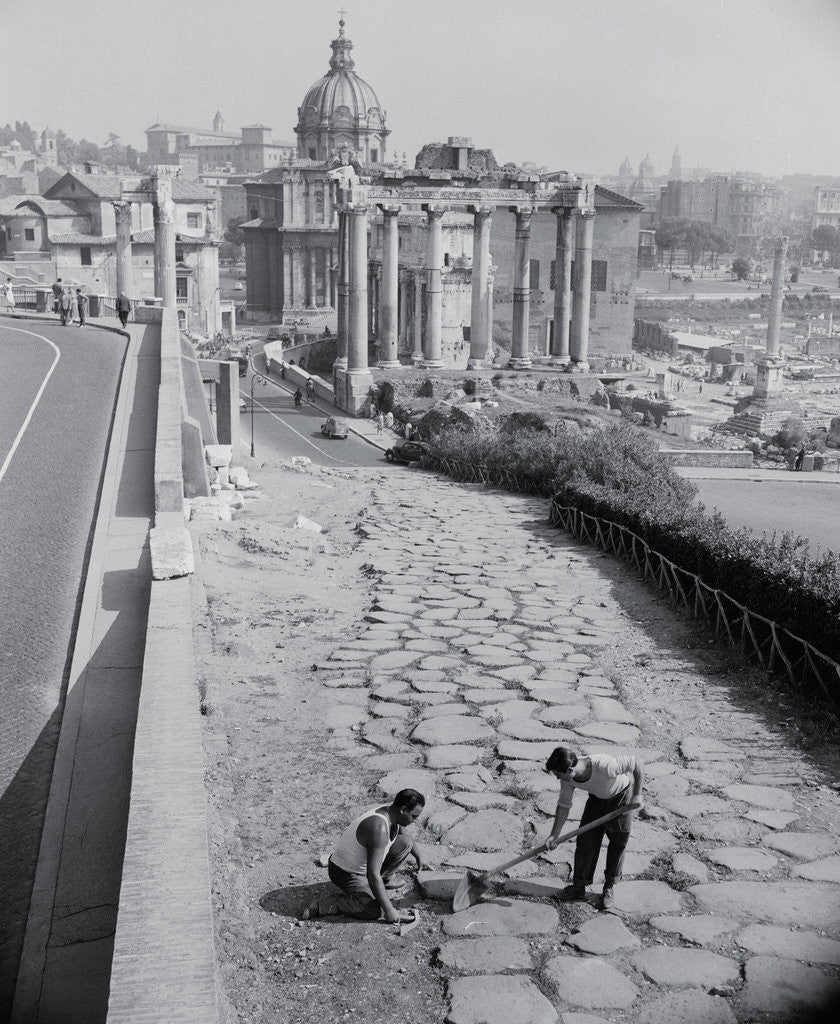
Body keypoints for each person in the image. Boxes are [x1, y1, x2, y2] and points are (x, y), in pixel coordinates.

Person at [300, 789, 426, 922]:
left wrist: (419, 856)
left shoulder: (391, 812)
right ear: (403, 810)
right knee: (375, 910)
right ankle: (326, 904)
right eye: (414, 816)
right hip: (344, 873)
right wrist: (390, 911)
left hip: (362, 868)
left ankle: (382, 883)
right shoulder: (379, 827)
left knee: (406, 842)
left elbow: (404, 833)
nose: (414, 820)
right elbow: (373, 874)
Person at [544, 746, 644, 910]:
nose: (557, 778)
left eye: (558, 774)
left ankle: (609, 887)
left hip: (621, 799)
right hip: (596, 801)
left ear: (570, 770)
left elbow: (636, 763)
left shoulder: (605, 765)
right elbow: (563, 805)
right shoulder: (567, 778)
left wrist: (637, 794)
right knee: (585, 842)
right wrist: (554, 835)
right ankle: (578, 887)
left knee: (618, 844)